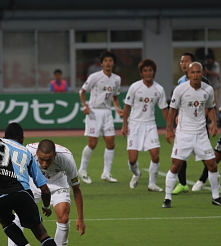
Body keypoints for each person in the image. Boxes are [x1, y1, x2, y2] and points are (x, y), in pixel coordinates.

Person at [0, 123, 70, 246]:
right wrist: (45, 206)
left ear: (4, 135)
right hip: (21, 194)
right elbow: (45, 190)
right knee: (42, 234)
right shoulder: (27, 153)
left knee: (7, 223)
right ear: (22, 138)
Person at [6, 139, 86, 246]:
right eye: (41, 159)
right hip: (35, 182)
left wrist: (80, 218)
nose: (44, 164)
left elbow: (76, 189)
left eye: (48, 160)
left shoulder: (67, 159)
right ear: (36, 153)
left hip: (58, 184)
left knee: (63, 217)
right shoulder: (28, 151)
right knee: (19, 214)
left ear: (55, 155)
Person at [162, 62, 221, 208]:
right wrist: (168, 128)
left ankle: (216, 197)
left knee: (212, 165)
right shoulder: (180, 90)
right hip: (183, 134)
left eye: (198, 72)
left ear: (202, 73)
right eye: (193, 73)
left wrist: (213, 123)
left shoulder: (208, 89)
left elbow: (210, 107)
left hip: (201, 134)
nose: (196, 75)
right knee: (176, 165)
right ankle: (167, 199)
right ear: (188, 74)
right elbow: (172, 109)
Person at [121, 59, 168, 192]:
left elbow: (164, 109)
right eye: (145, 71)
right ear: (141, 73)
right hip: (134, 125)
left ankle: (152, 184)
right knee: (132, 160)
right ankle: (136, 174)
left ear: (154, 72)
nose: (148, 73)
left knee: (155, 155)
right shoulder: (135, 87)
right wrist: (124, 125)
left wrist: (169, 127)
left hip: (150, 125)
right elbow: (127, 107)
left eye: (150, 70)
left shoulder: (159, 89)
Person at [78, 50, 123, 184]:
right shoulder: (94, 77)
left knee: (111, 143)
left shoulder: (116, 79)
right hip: (94, 112)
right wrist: (85, 106)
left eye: (110, 60)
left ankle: (106, 173)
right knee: (92, 143)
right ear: (102, 63)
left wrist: (117, 108)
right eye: (106, 61)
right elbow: (82, 92)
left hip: (107, 112)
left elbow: (115, 96)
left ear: (113, 63)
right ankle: (82, 170)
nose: (108, 63)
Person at [171, 52, 212, 195]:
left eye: (186, 61)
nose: (183, 64)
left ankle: (204, 179)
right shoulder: (181, 81)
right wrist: (176, 117)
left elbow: (207, 102)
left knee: (206, 156)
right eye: (181, 61)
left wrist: (206, 118)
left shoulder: (204, 81)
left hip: (199, 125)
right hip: (184, 125)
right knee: (180, 155)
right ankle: (182, 184)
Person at [204, 54, 221, 128]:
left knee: (215, 104)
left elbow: (216, 74)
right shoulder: (206, 65)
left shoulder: (215, 65)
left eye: (209, 59)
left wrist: (207, 71)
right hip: (208, 87)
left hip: (216, 87)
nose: (208, 61)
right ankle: (209, 120)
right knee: (207, 105)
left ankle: (216, 121)